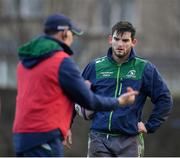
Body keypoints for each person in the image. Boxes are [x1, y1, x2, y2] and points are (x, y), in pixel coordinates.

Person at [12, 14, 138, 157]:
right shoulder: (61, 61)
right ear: (64, 33)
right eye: (73, 34)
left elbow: (47, 94)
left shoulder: (24, 62)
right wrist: (119, 101)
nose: (72, 39)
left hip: (21, 137)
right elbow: (88, 100)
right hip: (45, 136)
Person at [81, 21, 173, 157]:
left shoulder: (145, 68)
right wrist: (66, 128)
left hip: (130, 141)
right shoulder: (95, 66)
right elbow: (75, 95)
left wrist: (149, 125)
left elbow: (165, 99)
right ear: (110, 39)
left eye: (125, 40)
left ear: (133, 42)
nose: (120, 44)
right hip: (99, 138)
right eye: (116, 39)